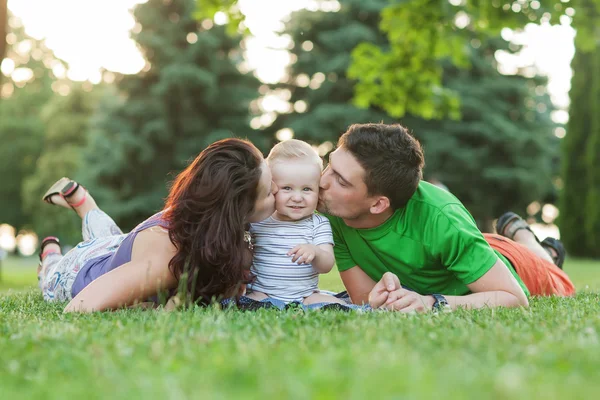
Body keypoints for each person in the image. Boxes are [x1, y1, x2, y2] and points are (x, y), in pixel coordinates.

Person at [317, 123, 575, 312]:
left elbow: (515, 299)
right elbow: (364, 297)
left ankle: (532, 242)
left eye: (340, 180)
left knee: (549, 269)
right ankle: (526, 241)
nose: (322, 181)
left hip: (514, 266)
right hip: (468, 249)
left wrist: (431, 302)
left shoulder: (441, 219)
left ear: (378, 204)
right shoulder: (337, 212)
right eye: (329, 165)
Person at [37, 138, 278, 313]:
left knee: (111, 238)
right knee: (51, 273)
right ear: (237, 212)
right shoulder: (164, 262)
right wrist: (142, 308)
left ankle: (84, 203)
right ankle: (50, 253)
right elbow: (78, 307)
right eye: (269, 192)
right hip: (74, 272)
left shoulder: (202, 215)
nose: (278, 191)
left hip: (114, 249)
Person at [246, 139, 345, 305]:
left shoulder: (318, 223)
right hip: (262, 291)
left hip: (306, 295)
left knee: (334, 304)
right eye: (287, 188)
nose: (297, 198)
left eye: (307, 189)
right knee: (246, 302)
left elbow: (327, 264)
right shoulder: (260, 219)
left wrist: (316, 252)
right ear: (271, 187)